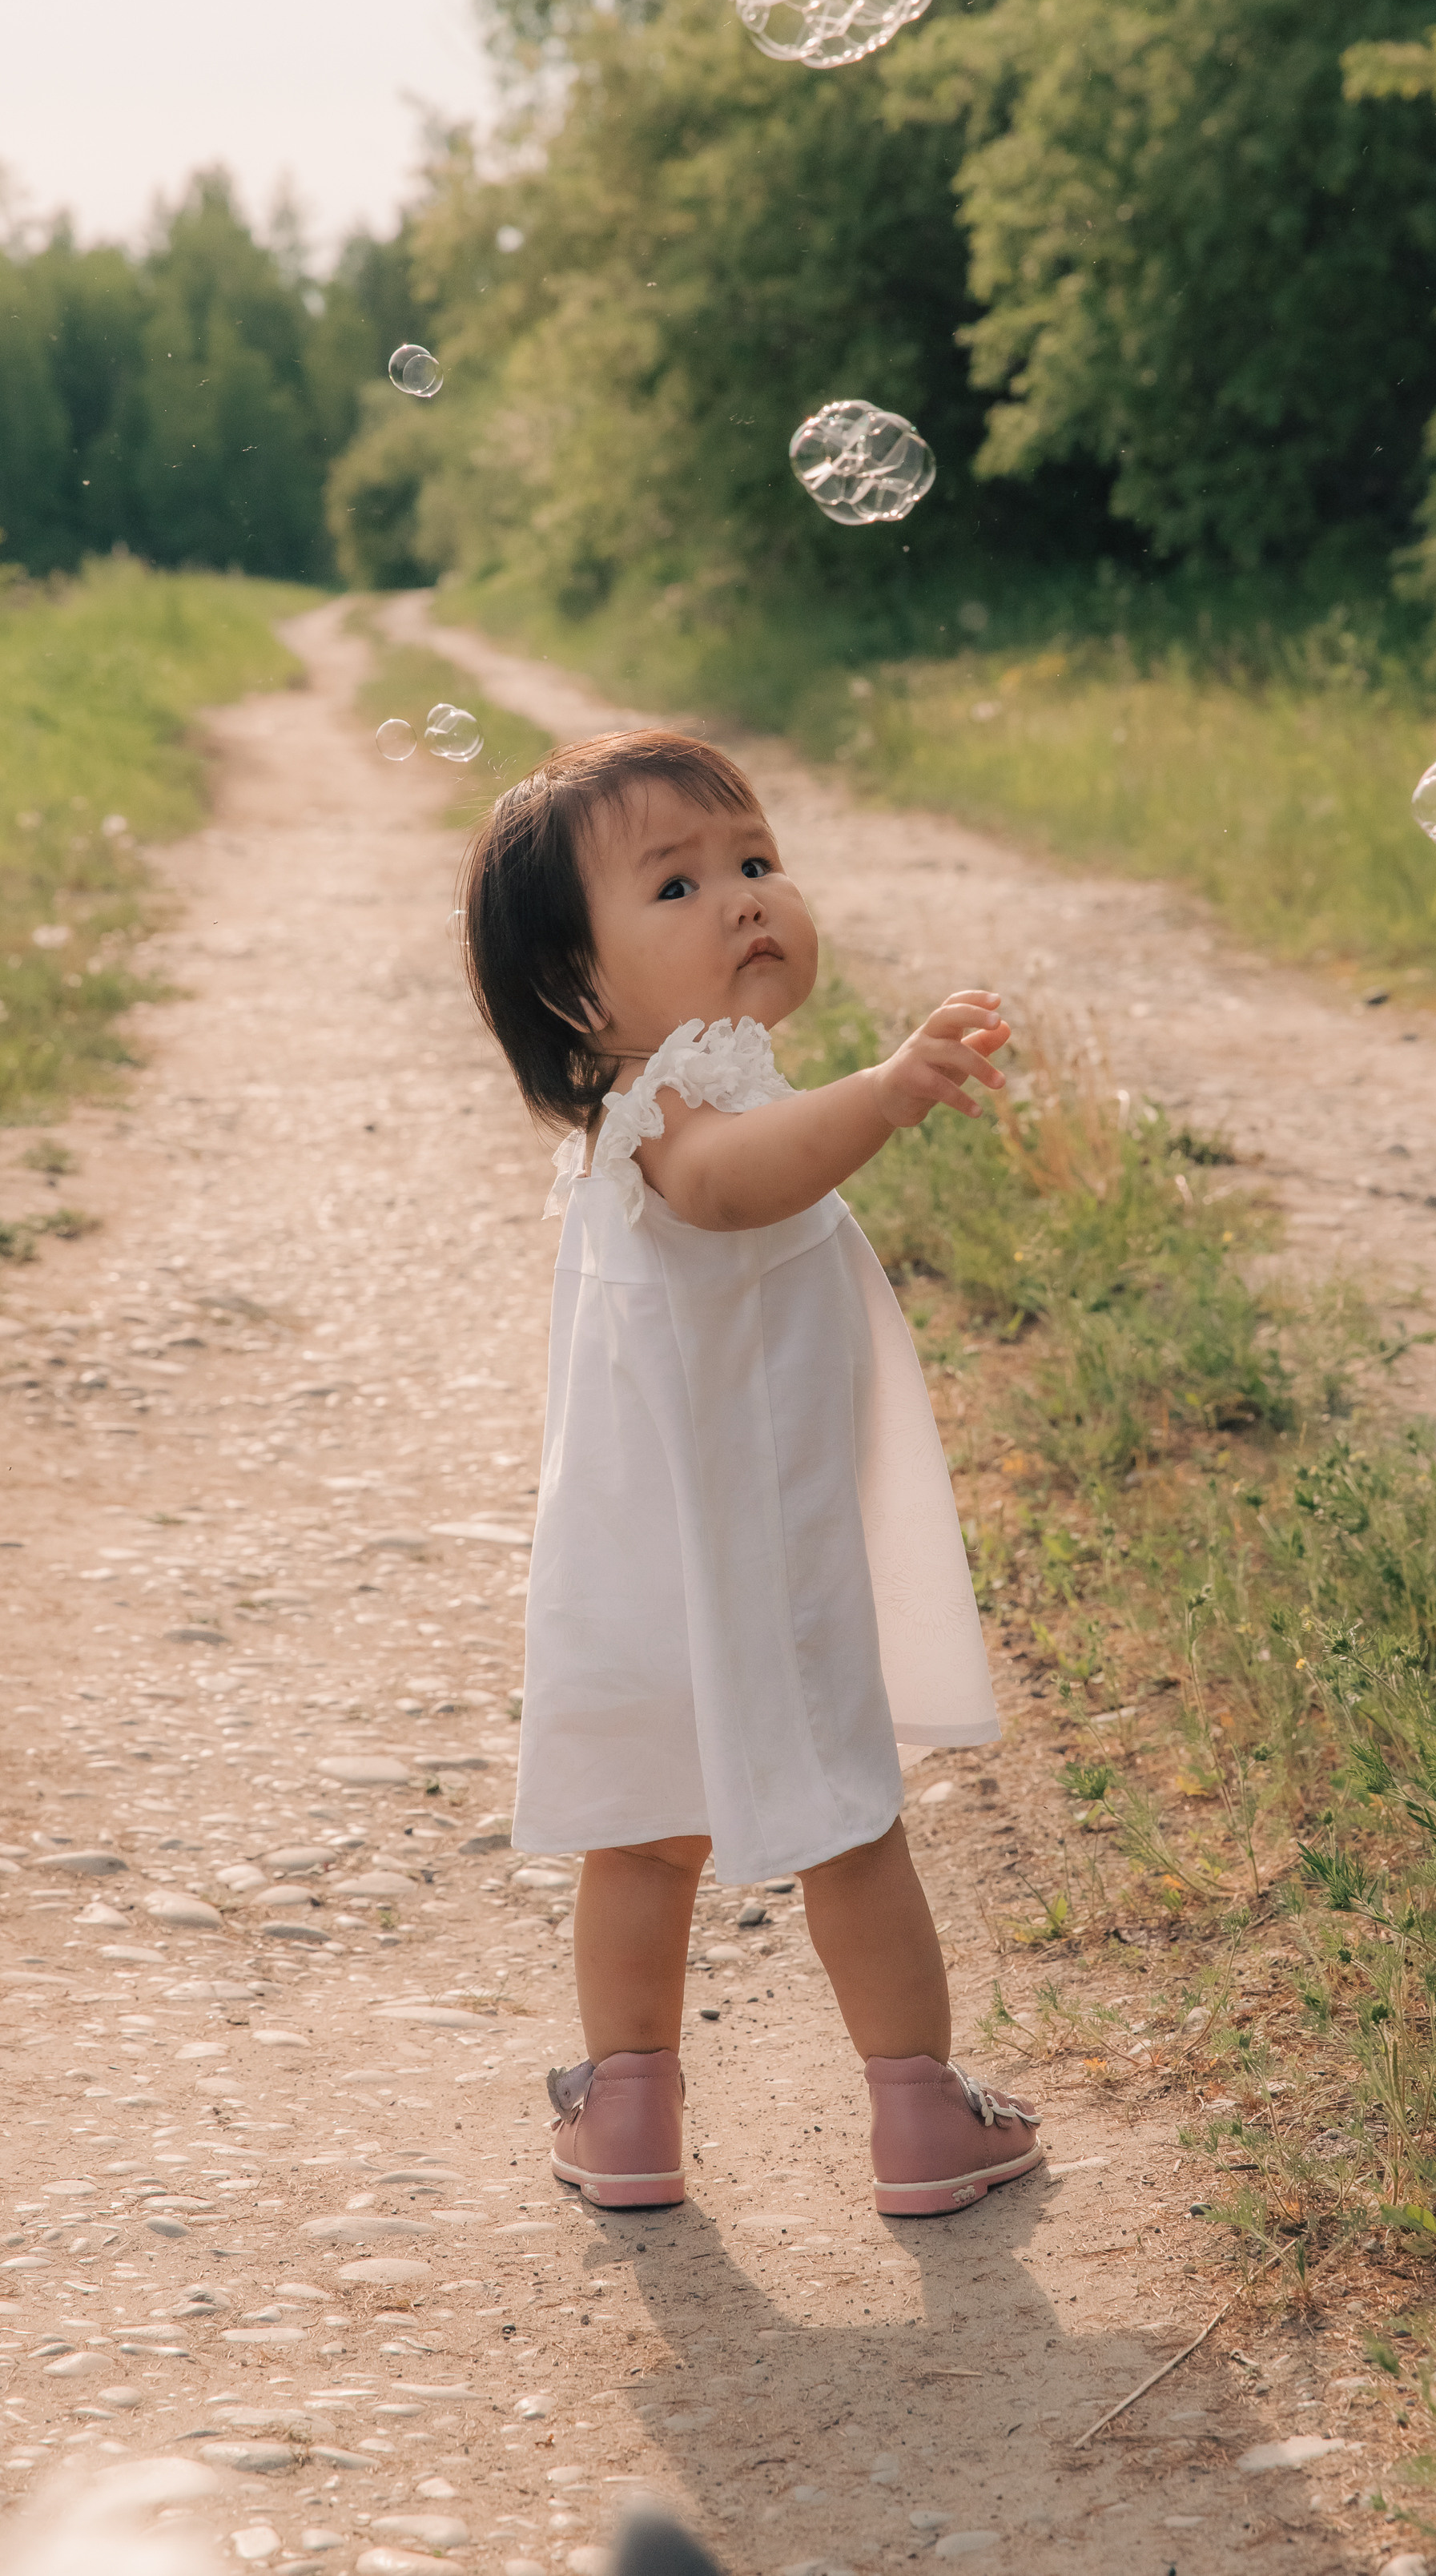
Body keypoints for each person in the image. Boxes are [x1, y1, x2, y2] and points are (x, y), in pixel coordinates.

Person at [460, 730, 1044, 2217]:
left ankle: (629, 2110)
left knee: (646, 1833)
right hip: (746, 1553)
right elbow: (737, 1183)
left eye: (756, 861)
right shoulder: (671, 1115)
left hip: (645, 1556)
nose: (741, 900)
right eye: (676, 884)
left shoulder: (693, 1089)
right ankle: (915, 2113)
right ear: (577, 991)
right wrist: (886, 1093)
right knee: (841, 1814)